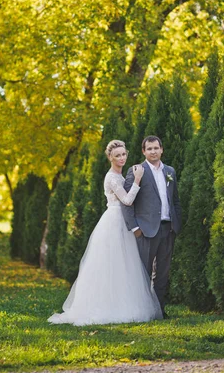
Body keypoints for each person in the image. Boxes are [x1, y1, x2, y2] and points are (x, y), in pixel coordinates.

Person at [48, 140, 162, 326]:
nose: (121, 158)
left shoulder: (121, 174)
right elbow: (126, 200)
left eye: (123, 154)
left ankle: (125, 303)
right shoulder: (111, 177)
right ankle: (108, 306)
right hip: (114, 222)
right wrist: (138, 180)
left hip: (123, 222)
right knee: (111, 264)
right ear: (110, 157)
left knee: (126, 265)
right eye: (117, 155)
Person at [122, 135, 182, 318]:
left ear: (162, 149)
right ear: (144, 151)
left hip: (167, 228)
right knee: (143, 273)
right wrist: (135, 228)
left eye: (156, 148)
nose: (153, 151)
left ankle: (158, 311)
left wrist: (176, 223)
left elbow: (175, 200)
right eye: (149, 149)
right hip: (146, 230)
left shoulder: (170, 171)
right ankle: (140, 312)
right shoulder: (136, 171)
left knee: (162, 274)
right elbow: (127, 202)